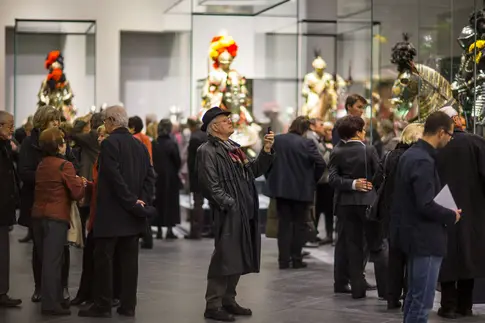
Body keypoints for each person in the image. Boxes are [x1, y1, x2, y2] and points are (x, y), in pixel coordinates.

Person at [197, 107, 275, 322]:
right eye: (225, 120)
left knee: (238, 254)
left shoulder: (233, 148)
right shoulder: (207, 150)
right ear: (214, 126)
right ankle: (213, 305)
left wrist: (266, 150)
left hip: (243, 208)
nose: (230, 122)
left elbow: (252, 170)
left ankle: (228, 299)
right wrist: (229, 204)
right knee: (223, 256)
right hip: (229, 210)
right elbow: (209, 184)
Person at [78, 106, 155, 318]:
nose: (104, 125)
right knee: (129, 263)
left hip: (112, 214)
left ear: (112, 120)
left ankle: (103, 305)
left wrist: (130, 201)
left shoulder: (110, 143)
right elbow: (150, 176)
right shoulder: (139, 145)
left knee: (104, 260)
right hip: (132, 215)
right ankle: (128, 305)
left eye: (105, 121)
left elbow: (113, 178)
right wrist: (141, 202)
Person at [392, 111, 461, 323]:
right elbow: (425, 204)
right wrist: (452, 215)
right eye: (450, 135)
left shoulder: (412, 154)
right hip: (426, 239)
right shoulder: (422, 160)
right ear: (441, 132)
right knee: (421, 303)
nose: (450, 139)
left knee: (414, 298)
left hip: (414, 236)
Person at [17, 105, 72, 303]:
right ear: (42, 122)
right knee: (39, 249)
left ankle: (62, 287)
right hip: (37, 201)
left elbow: (70, 163)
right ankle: (39, 287)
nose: (57, 123)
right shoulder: (29, 144)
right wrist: (49, 177)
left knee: (62, 247)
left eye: (58, 119)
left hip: (59, 202)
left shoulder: (62, 140)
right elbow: (24, 172)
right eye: (52, 119)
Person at [435, 106, 485, 319]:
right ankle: (465, 304)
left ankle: (448, 306)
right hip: (474, 211)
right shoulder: (476, 143)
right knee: (468, 255)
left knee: (447, 256)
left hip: (442, 209)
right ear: (457, 119)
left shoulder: (437, 146)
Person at [32, 127, 85, 316]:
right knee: (53, 262)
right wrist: (81, 182)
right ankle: (51, 304)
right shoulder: (65, 165)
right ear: (59, 146)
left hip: (38, 216)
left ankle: (52, 300)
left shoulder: (41, 164)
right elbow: (76, 192)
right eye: (63, 142)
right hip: (56, 218)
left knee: (45, 259)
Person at [372, 123, 424, 309]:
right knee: (411, 257)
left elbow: (376, 181)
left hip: (391, 214)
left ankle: (391, 297)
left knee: (395, 257)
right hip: (411, 215)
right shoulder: (418, 158)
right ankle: (408, 297)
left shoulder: (389, 156)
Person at [329, 115, 380, 299]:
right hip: (368, 203)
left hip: (345, 205)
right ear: (358, 132)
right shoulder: (369, 150)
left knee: (352, 245)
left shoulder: (337, 151)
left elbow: (332, 179)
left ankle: (357, 288)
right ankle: (386, 290)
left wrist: (351, 184)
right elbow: (379, 175)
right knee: (375, 244)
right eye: (363, 129)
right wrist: (366, 185)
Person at [264, 116, 325, 269]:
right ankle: (296, 258)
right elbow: (321, 163)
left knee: (284, 225)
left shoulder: (278, 140)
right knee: (299, 225)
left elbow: (266, 161)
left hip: (281, 189)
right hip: (301, 190)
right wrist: (312, 180)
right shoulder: (307, 143)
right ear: (305, 129)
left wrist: (271, 177)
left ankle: (283, 260)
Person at [0, 111, 22, 308]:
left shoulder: (7, 146)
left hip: (5, 209)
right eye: (9, 125)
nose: (12, 128)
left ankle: (2, 291)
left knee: (3, 251)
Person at [152, 119, 182, 239]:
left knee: (158, 202)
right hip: (170, 178)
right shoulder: (172, 143)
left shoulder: (154, 143)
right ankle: (169, 230)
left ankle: (158, 229)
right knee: (170, 203)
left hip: (156, 177)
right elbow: (177, 161)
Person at [186, 118, 208, 239]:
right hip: (210, 174)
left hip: (197, 175)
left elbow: (191, 161)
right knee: (213, 203)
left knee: (197, 203)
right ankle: (214, 230)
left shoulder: (194, 138)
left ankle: (196, 231)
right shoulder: (207, 136)